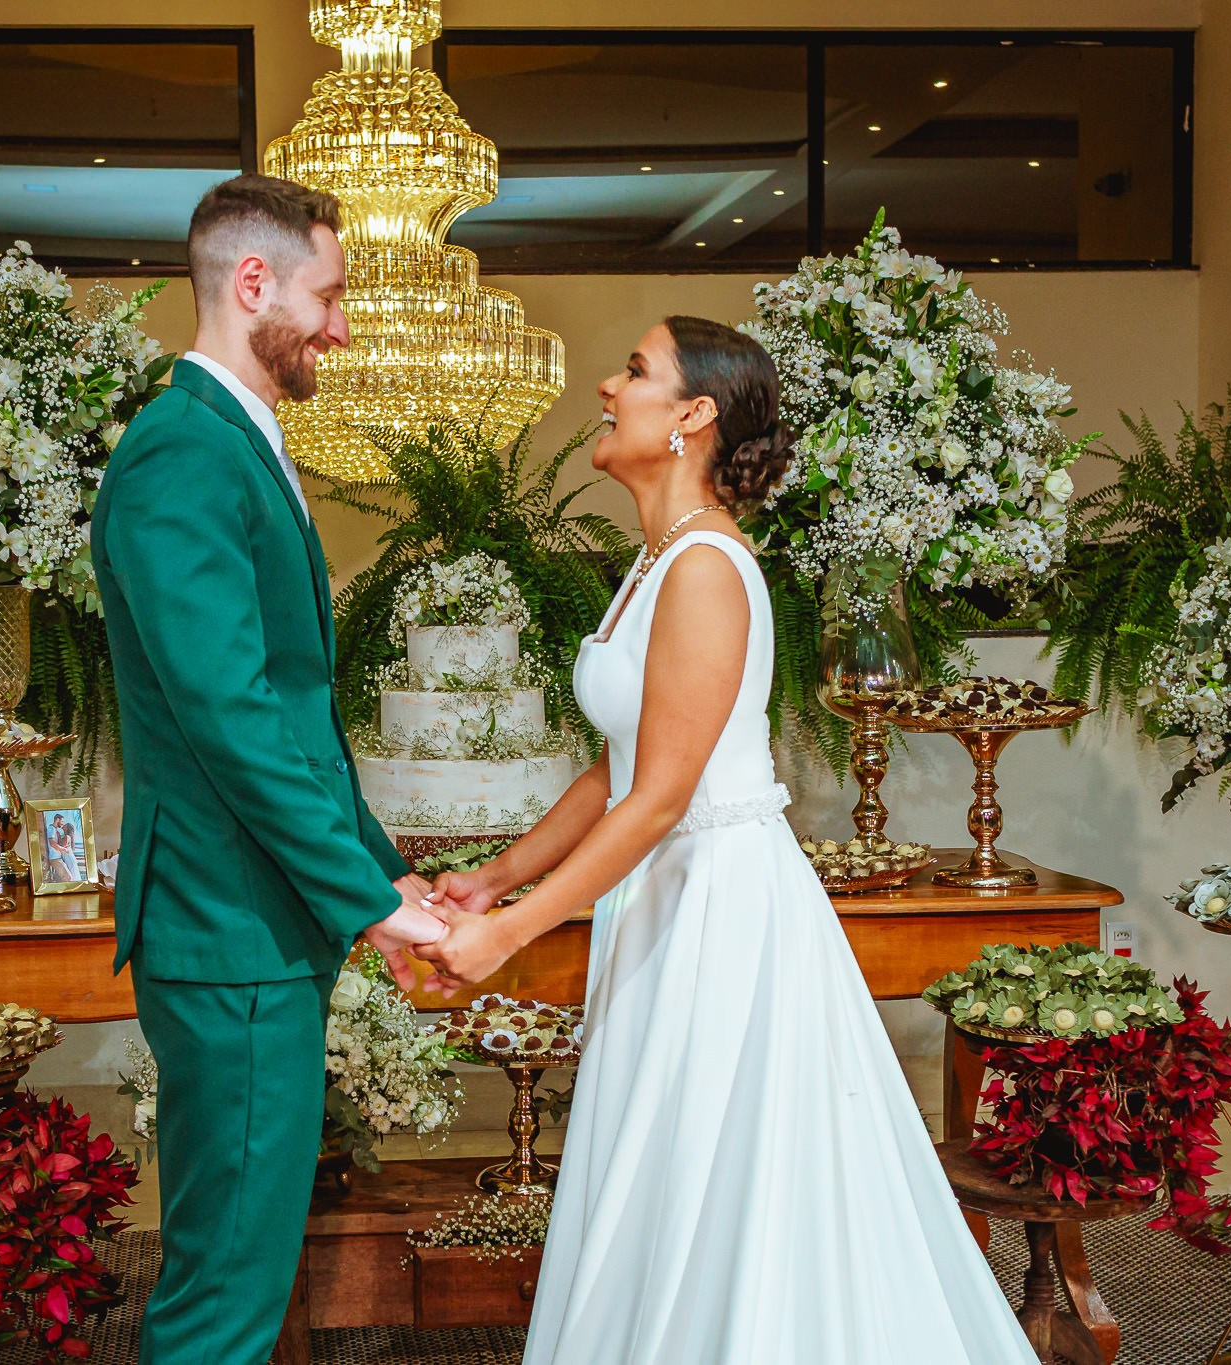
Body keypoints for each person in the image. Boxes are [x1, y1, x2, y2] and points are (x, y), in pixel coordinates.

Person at [412, 316, 1040, 1364]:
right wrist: (493, 876)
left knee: (727, 1172)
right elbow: (614, 768)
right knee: (661, 1172)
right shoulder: (654, 561)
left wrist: (513, 932)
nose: (607, 387)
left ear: (692, 415)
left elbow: (659, 799)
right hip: (661, 900)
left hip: (720, 906)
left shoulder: (706, 565)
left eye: (635, 370)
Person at [90, 173, 446, 1365]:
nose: (339, 328)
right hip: (226, 921)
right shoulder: (182, 453)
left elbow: (295, 712)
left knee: (242, 1263)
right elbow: (229, 719)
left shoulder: (233, 438)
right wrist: (368, 903)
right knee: (225, 1294)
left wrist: (382, 873)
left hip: (251, 922)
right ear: (253, 283)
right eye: (328, 296)